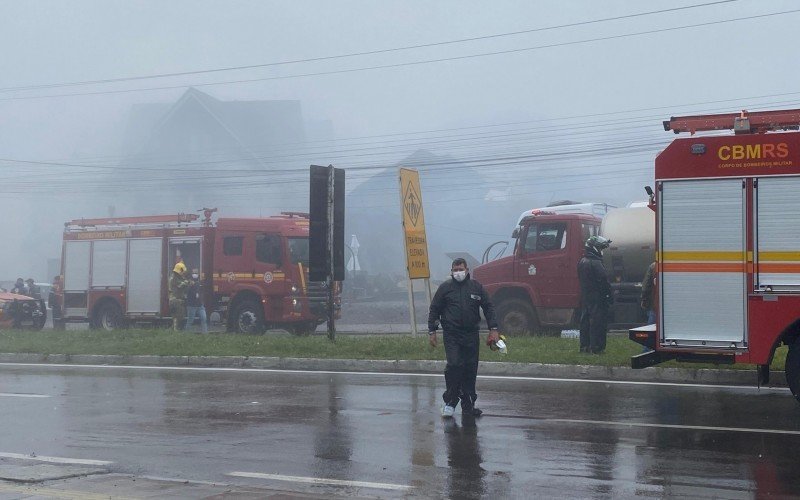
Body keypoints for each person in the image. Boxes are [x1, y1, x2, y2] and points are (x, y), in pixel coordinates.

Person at [428, 257, 501, 418]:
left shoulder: (476, 287)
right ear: (451, 271)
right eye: (455, 270)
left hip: (471, 335)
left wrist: (493, 329)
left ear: (467, 270)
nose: (458, 272)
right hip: (452, 335)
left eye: (461, 269)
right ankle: (450, 401)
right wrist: (432, 331)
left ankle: (468, 404)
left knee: (470, 368)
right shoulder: (445, 288)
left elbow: (488, 307)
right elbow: (434, 309)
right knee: (454, 366)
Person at [578, 235, 613, 354]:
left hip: (586, 297)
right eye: (601, 248)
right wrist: (609, 295)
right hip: (598, 298)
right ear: (594, 248)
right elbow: (604, 281)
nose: (602, 251)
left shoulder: (582, 262)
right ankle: (596, 348)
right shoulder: (596, 263)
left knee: (585, 321)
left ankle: (584, 347)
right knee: (598, 322)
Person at [184, 269, 208, 334]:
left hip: (200, 305)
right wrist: (190, 285)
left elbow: (201, 292)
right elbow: (186, 291)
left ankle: (205, 334)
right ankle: (186, 334)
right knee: (190, 321)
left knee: (204, 318)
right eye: (194, 273)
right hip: (192, 306)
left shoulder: (199, 282)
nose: (195, 274)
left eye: (196, 273)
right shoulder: (189, 282)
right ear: (191, 274)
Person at [168, 261, 189, 331]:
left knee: (176, 317)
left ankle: (174, 330)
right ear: (180, 270)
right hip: (176, 300)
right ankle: (175, 331)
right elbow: (180, 286)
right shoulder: (174, 278)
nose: (184, 273)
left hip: (176, 300)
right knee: (178, 317)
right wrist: (186, 282)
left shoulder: (176, 277)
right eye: (183, 271)